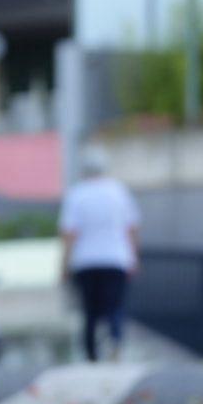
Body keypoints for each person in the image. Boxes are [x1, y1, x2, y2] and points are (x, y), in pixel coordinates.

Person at [58, 145, 141, 362]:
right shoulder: (119, 192)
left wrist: (64, 265)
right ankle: (115, 341)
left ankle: (91, 354)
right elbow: (131, 229)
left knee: (90, 312)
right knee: (115, 306)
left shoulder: (76, 194)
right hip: (116, 258)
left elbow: (69, 234)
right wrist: (133, 257)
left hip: (85, 261)